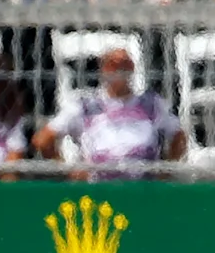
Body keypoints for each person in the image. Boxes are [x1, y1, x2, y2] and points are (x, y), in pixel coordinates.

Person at [36, 44, 189, 175]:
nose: (119, 70)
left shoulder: (151, 104)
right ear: (103, 70)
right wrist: (69, 173)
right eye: (113, 65)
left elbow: (179, 137)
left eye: (125, 65)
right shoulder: (85, 106)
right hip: (99, 186)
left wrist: (167, 172)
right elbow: (43, 140)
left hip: (143, 186)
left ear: (132, 68)